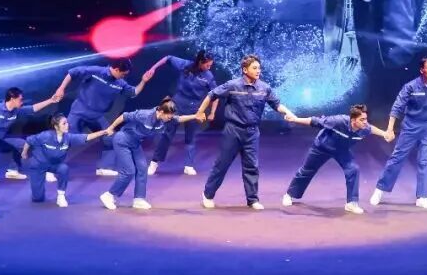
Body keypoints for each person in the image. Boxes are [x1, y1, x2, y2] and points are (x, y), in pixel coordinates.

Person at [195, 54, 298, 210]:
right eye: (254, 68)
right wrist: (200, 112)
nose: (258, 71)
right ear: (245, 70)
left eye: (259, 68)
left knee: (252, 166)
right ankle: (208, 195)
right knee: (222, 164)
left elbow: (276, 104)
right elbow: (212, 95)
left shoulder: (264, 88)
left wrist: (288, 113)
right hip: (233, 131)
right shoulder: (233, 85)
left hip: (252, 132)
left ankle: (252, 200)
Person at [370, 55, 427, 209]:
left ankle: (422, 197)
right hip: (411, 127)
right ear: (422, 70)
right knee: (397, 159)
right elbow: (397, 107)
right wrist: (390, 128)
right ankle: (380, 189)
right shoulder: (410, 87)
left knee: (425, 161)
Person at [52, 57, 163, 175]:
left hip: (97, 116)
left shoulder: (120, 83)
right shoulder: (96, 71)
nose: (123, 76)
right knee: (65, 139)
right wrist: (61, 88)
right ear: (116, 69)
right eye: (123, 74)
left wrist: (143, 81)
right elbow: (72, 73)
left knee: (110, 138)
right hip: (79, 111)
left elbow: (133, 93)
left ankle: (104, 167)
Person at [280, 104, 395, 214]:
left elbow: (371, 129)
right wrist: (295, 119)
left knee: (353, 169)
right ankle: (289, 195)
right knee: (307, 170)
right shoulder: (338, 121)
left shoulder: (364, 128)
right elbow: (315, 121)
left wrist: (384, 134)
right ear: (353, 120)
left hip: (342, 150)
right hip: (322, 147)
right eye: (362, 119)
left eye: (366, 119)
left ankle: (351, 203)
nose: (365, 122)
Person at [99, 98, 197, 210]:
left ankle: (139, 199)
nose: (169, 119)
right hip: (122, 140)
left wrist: (195, 116)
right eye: (168, 116)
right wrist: (111, 128)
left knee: (142, 168)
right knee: (129, 172)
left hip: (135, 143)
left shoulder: (164, 119)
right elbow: (124, 116)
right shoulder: (144, 115)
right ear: (161, 112)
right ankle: (109, 195)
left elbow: (179, 119)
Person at [148, 51, 218, 177]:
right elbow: (168, 57)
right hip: (177, 105)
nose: (209, 67)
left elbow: (215, 95)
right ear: (200, 62)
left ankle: (188, 165)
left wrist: (212, 112)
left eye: (210, 65)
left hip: (195, 109)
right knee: (167, 134)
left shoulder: (209, 76)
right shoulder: (185, 65)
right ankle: (154, 162)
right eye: (207, 65)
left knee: (191, 137)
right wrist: (153, 68)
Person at [21, 114, 114, 207]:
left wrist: (104, 132)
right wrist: (24, 153)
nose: (67, 125)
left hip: (55, 164)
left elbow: (87, 137)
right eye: (64, 123)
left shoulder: (68, 137)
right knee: (38, 198)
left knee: (63, 168)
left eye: (67, 123)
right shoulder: (45, 136)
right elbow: (29, 140)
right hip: (39, 165)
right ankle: (41, 185)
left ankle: (61, 196)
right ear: (56, 126)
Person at [0, 88, 60, 182]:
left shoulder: (16, 111)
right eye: (20, 99)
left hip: (1, 142)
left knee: (23, 144)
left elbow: (33, 108)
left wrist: (51, 100)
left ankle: (13, 171)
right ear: (12, 99)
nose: (22, 102)